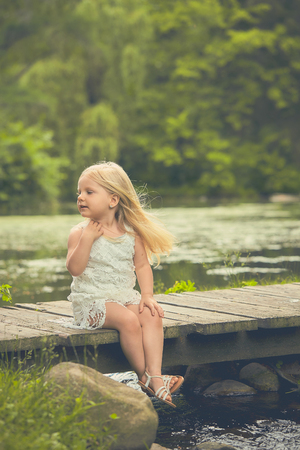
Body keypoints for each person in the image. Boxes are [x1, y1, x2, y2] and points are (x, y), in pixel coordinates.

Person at [66, 161, 184, 407]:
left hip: (122, 296)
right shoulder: (79, 232)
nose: (80, 197)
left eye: (89, 192)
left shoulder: (131, 233)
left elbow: (142, 266)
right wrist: (87, 239)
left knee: (151, 315)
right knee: (129, 321)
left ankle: (155, 373)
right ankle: (146, 378)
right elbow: (74, 269)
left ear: (113, 200)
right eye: (79, 192)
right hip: (91, 301)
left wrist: (147, 295)